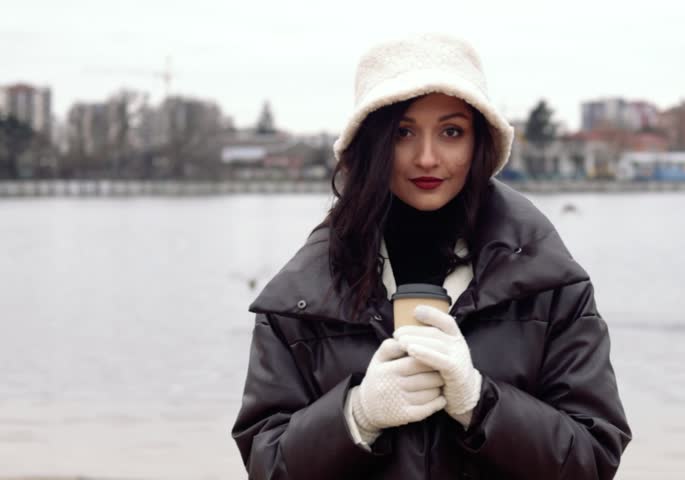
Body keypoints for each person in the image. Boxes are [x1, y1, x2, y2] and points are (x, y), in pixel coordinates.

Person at [232, 33, 631, 479]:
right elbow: (266, 465)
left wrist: (480, 404)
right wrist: (355, 417)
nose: (427, 157)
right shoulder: (300, 296)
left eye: (451, 132)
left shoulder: (551, 285)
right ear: (371, 143)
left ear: (479, 142)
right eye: (403, 132)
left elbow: (594, 459)